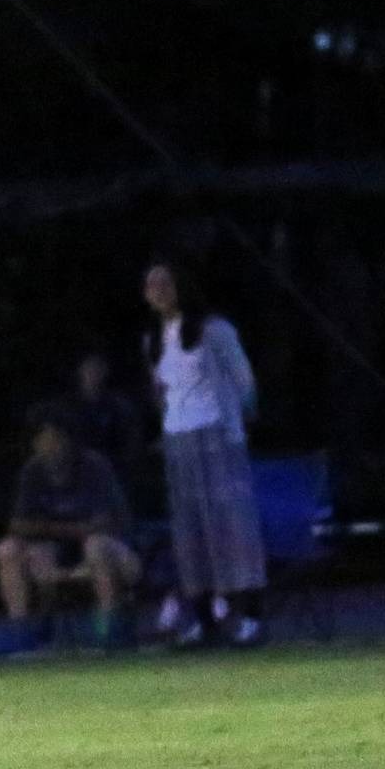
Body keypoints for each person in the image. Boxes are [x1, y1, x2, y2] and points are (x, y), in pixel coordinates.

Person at [144, 259, 265, 648]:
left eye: (165, 283)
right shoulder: (154, 338)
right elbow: (161, 391)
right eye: (151, 285)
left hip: (216, 435)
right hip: (178, 440)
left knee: (230, 526)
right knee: (189, 530)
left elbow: (243, 380)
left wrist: (240, 422)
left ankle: (246, 615)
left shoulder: (215, 331)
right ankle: (199, 618)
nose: (158, 291)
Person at [0, 406, 139, 654]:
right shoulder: (32, 472)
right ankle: (22, 631)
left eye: (56, 438)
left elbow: (104, 524)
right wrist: (56, 535)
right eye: (43, 439)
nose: (51, 446)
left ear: (69, 439)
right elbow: (18, 525)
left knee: (95, 546)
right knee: (9, 549)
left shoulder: (94, 466)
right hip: (59, 551)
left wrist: (48, 530)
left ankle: (109, 628)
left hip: (118, 553)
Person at [67, 347, 147, 490]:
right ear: (80, 371)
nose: (93, 373)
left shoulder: (119, 404)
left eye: (98, 367)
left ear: (105, 371)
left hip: (113, 473)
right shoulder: (69, 406)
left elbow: (132, 441)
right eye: (89, 367)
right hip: (78, 474)